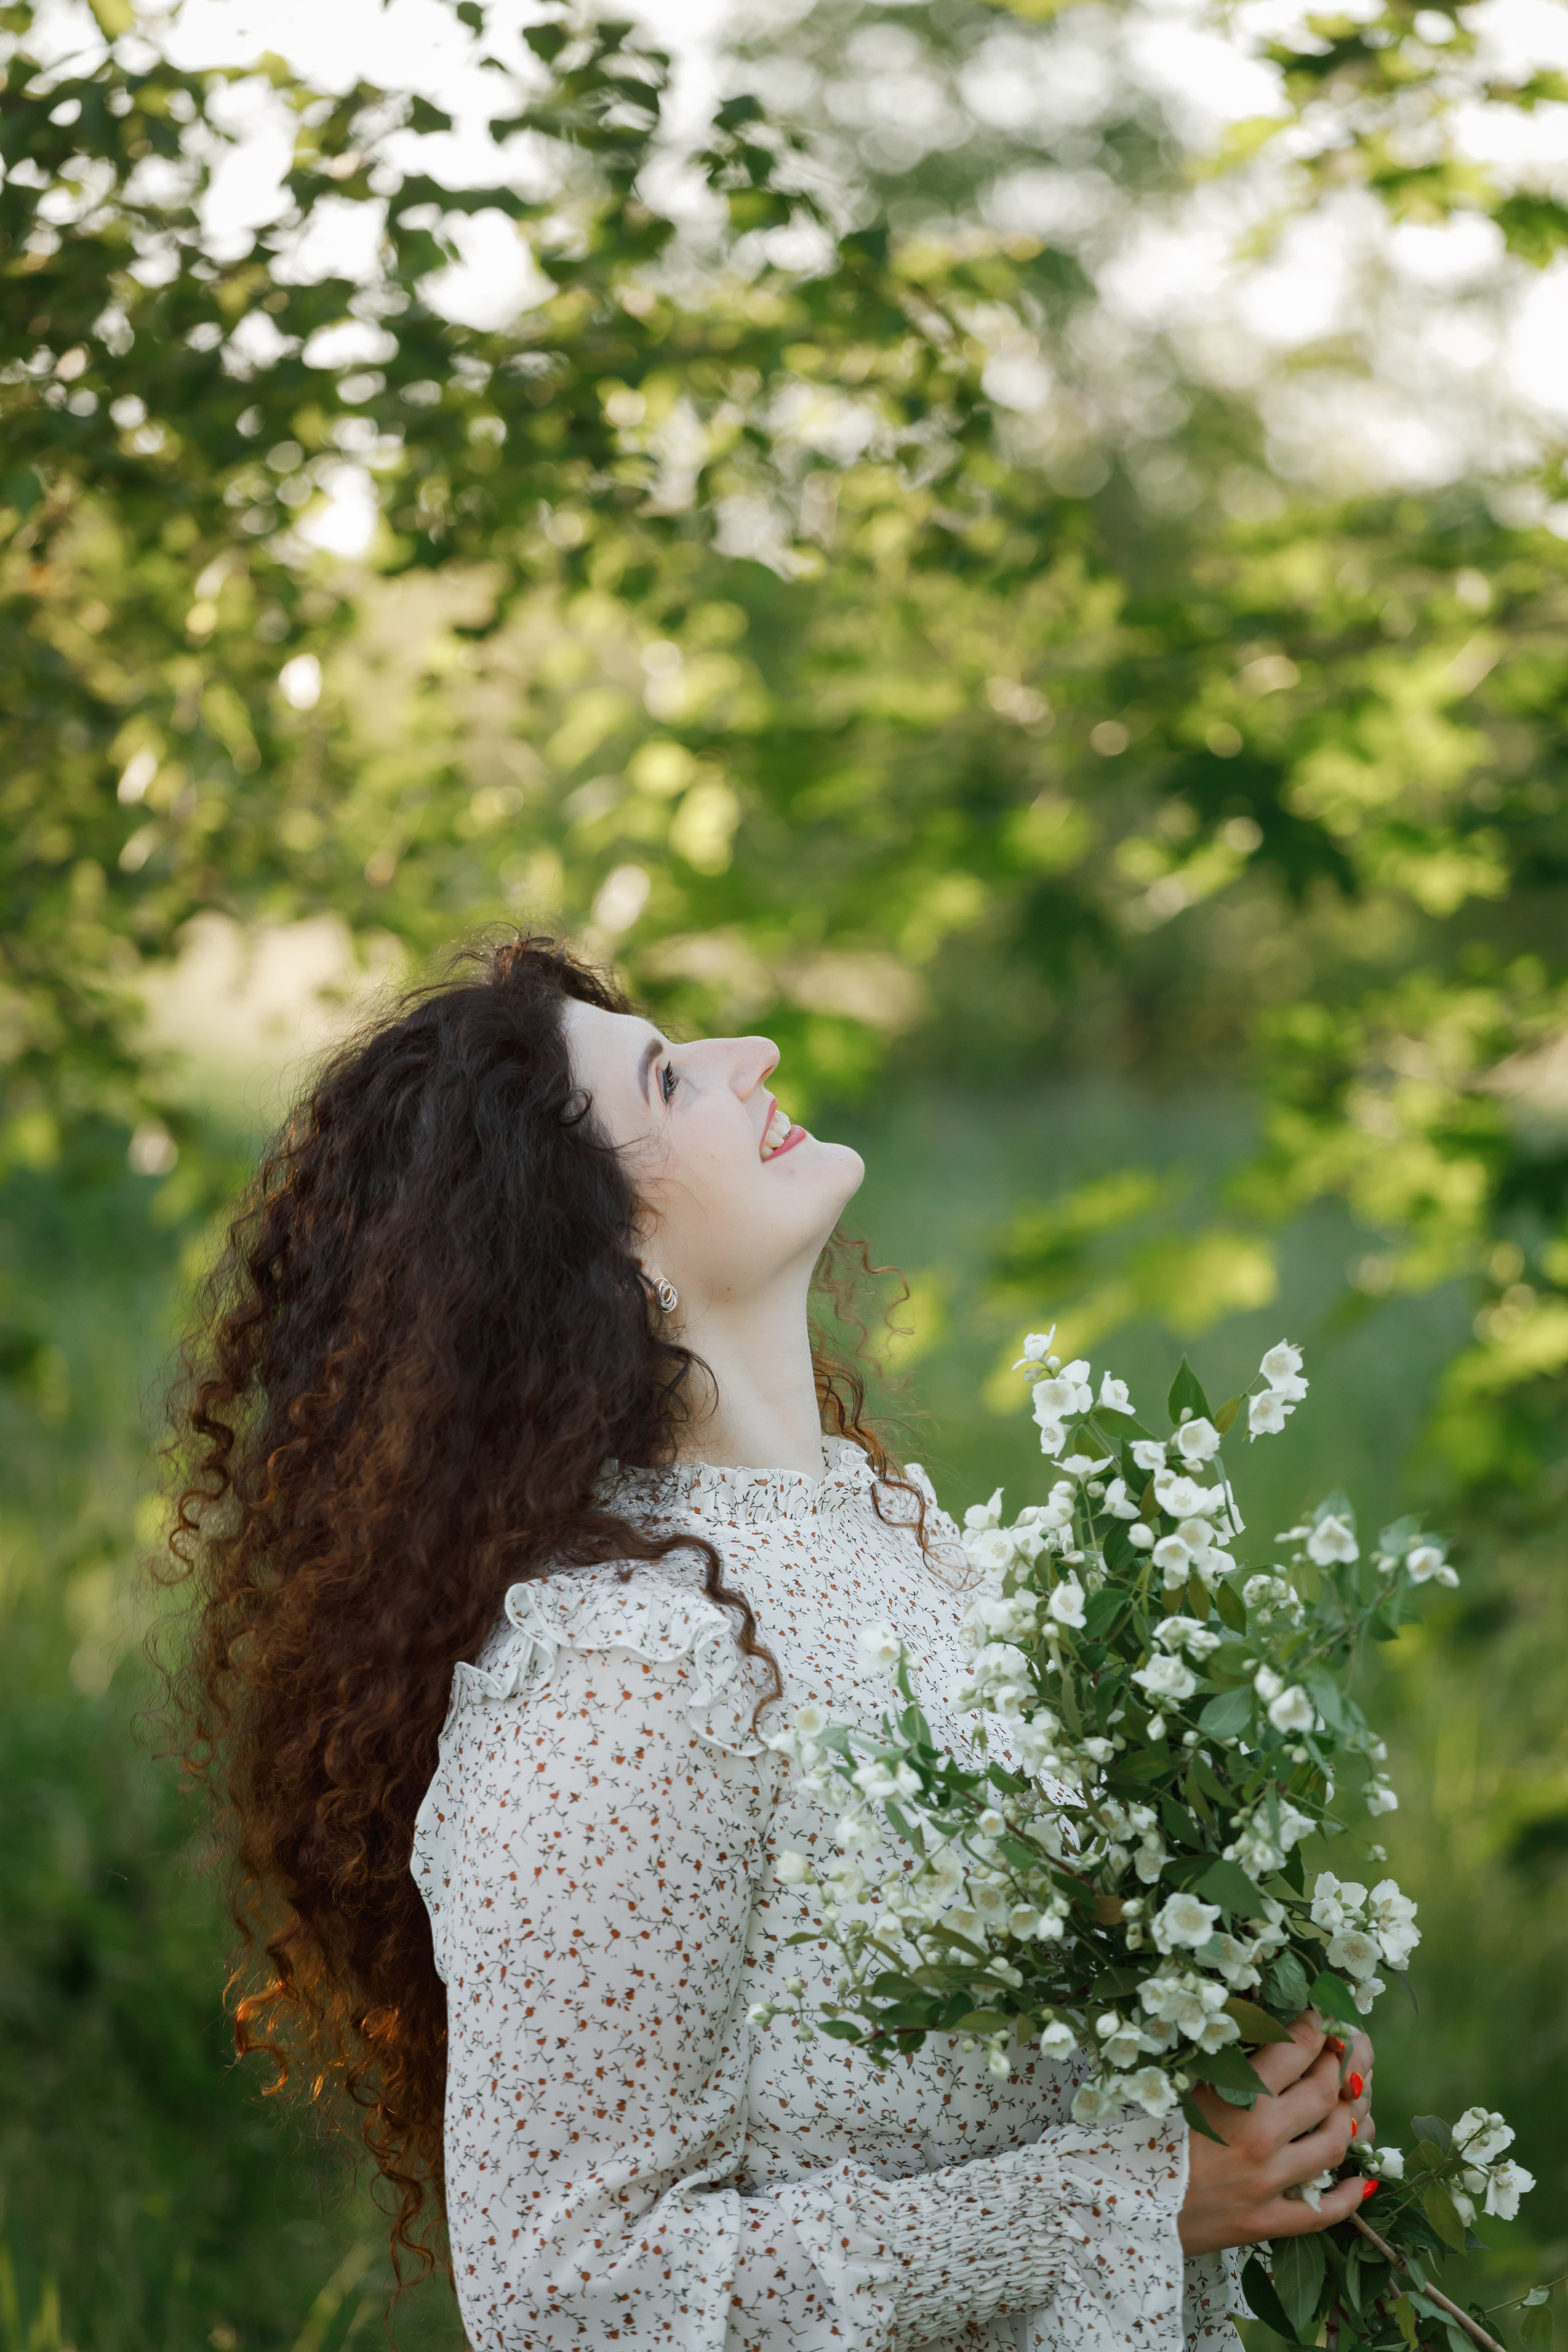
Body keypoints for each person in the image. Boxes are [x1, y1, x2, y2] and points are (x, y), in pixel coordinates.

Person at [167, 935, 1373, 2352]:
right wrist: (1111, 2200)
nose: (756, 1060)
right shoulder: (621, 1683)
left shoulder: (895, 1535)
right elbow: (571, 2296)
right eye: (672, 1081)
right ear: (594, 1251)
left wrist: (1226, 2055)